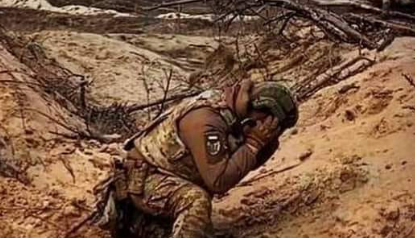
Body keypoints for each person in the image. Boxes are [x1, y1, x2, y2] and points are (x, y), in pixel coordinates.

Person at [102, 79, 299, 238]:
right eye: (269, 123)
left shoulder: (233, 110)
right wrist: (253, 143)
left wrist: (263, 144)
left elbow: (242, 164)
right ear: (257, 111)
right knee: (196, 201)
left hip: (169, 177)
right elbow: (219, 181)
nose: (270, 130)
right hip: (143, 179)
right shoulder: (207, 120)